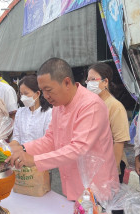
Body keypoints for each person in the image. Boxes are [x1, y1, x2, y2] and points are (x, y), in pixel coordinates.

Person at [7, 58, 119, 201]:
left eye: (49, 90)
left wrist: (34, 160)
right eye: (43, 91)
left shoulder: (91, 105)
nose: (46, 96)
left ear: (66, 82)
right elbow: (50, 140)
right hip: (73, 184)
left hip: (96, 188)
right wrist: (22, 149)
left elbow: (78, 148)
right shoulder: (58, 106)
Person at [86, 63, 130, 183]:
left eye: (93, 79)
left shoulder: (115, 106)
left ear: (105, 82)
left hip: (110, 164)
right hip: (94, 163)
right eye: (88, 80)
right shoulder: (91, 105)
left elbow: (119, 140)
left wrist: (113, 169)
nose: (89, 83)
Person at [11, 74, 52, 145]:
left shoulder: (48, 113)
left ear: (38, 93)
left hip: (39, 154)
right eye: (21, 94)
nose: (23, 97)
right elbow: (16, 138)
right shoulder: (20, 112)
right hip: (21, 153)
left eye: (26, 93)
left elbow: (47, 141)